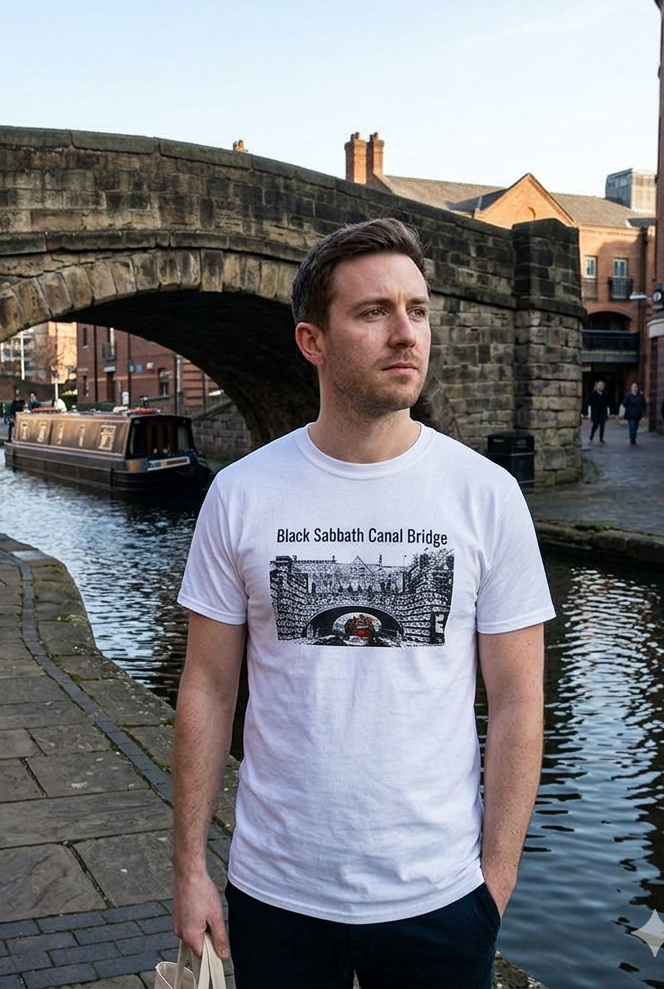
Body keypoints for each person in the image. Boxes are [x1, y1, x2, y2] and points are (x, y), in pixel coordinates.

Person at [172, 219, 554, 989]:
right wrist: (189, 868)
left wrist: (494, 883)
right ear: (313, 342)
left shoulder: (487, 495)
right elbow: (208, 688)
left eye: (417, 309)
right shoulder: (241, 493)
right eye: (374, 312)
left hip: (440, 898)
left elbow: (517, 701)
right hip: (276, 894)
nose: (405, 333)